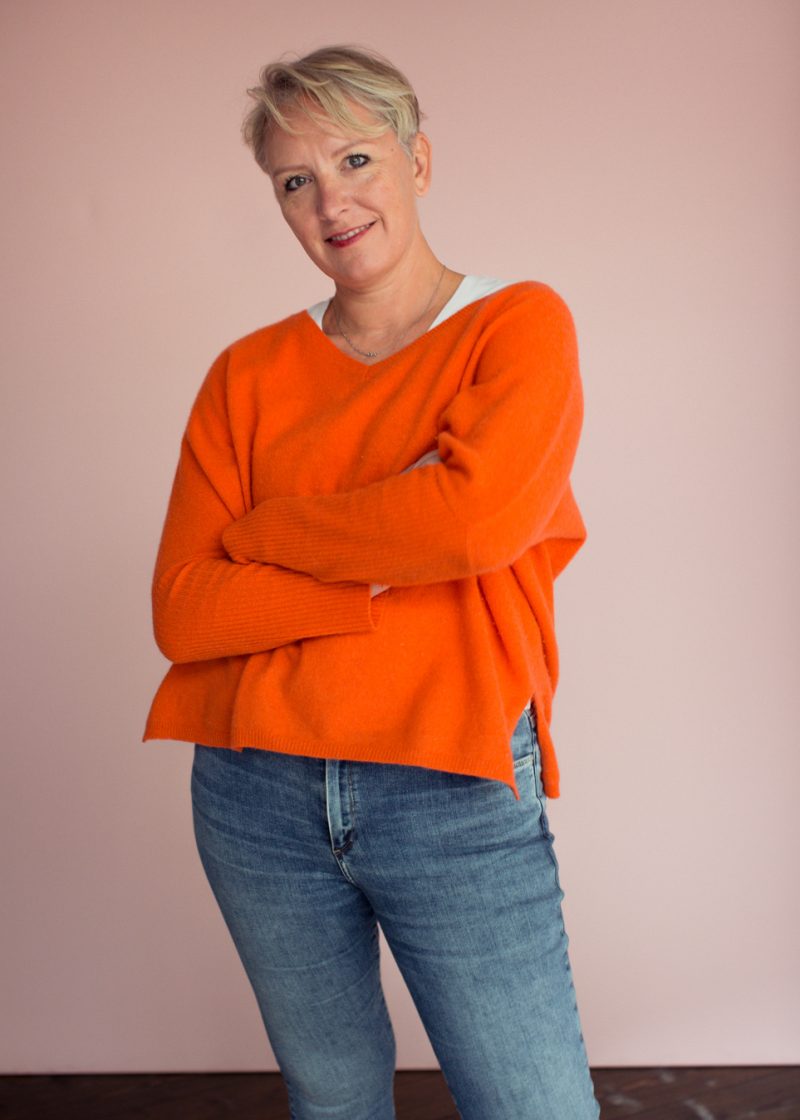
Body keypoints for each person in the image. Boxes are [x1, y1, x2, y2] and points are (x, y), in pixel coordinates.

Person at [144, 44, 600, 1120]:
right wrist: (381, 569)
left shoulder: (515, 325)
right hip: (255, 790)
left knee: (531, 1104)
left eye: (355, 159)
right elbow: (185, 612)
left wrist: (265, 534)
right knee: (332, 1098)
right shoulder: (244, 374)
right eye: (294, 180)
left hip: (449, 782)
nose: (330, 202)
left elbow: (474, 521)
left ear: (417, 160)